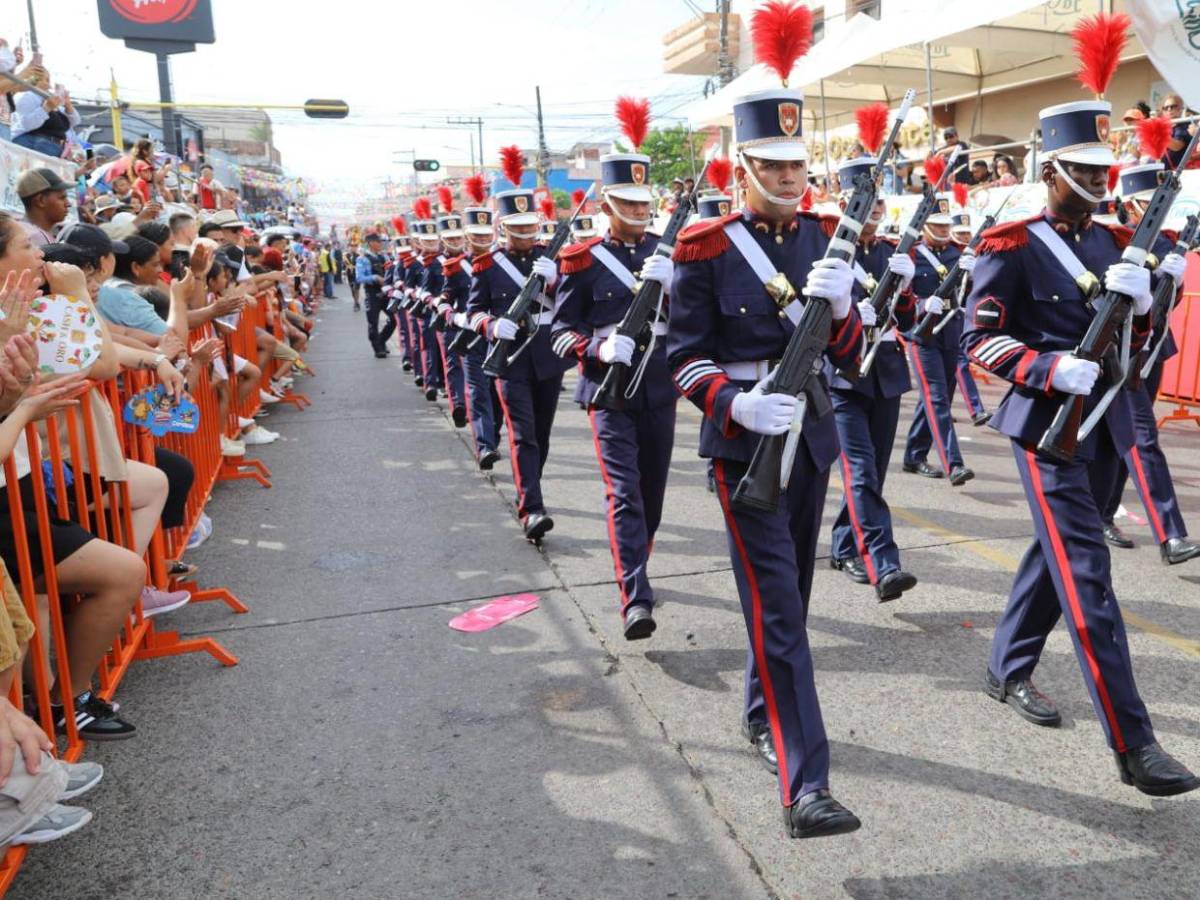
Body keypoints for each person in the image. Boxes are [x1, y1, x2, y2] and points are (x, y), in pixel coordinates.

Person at [962, 92, 1199, 796]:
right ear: (1051, 169)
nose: (1100, 182)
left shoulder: (1117, 241)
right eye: (1084, 171)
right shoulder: (1012, 243)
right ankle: (1135, 744)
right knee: (1088, 574)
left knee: (1055, 553)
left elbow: (1142, 350)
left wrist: (1158, 297)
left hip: (1107, 426)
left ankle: (1007, 667)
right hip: (1048, 430)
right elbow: (980, 339)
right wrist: (1046, 366)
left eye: (1105, 170)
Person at [667, 75, 864, 836]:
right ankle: (804, 783)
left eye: (796, 163)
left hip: (809, 437)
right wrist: (735, 402)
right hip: (743, 446)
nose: (789, 177)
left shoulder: (826, 236)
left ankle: (760, 712)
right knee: (779, 610)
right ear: (742, 165)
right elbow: (683, 359)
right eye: (773, 164)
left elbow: (851, 355)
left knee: (791, 599)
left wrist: (845, 309)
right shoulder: (705, 247)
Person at [552, 126, 678, 640]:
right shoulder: (582, 261)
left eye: (644, 200)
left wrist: (675, 289)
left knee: (651, 495)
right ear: (607, 203)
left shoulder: (673, 254)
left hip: (659, 388)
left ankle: (637, 564)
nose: (640, 209)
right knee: (624, 493)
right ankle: (635, 596)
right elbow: (559, 333)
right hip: (608, 392)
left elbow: (694, 323)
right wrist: (596, 347)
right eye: (628, 200)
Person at [824, 156, 920, 601]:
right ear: (846, 201)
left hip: (884, 374)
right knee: (860, 473)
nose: (875, 207)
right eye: (867, 199)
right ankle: (884, 562)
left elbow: (909, 319)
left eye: (880, 199)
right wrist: (845, 319)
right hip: (844, 379)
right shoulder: (827, 250)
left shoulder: (888, 252)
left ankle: (844, 546)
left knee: (873, 476)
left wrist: (905, 289)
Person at [1097, 162, 1199, 564]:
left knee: (1119, 438)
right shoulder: (1115, 239)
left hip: (1153, 350)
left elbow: (1165, 305)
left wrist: (1175, 281)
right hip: (1122, 351)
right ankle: (1170, 534)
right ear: (1131, 204)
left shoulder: (1165, 242)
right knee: (1142, 439)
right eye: (1150, 201)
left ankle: (1102, 514)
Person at [466, 184, 573, 543]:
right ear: (504, 228)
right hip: (510, 359)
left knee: (540, 435)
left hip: (547, 357)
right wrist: (493, 325)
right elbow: (474, 313)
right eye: (519, 228)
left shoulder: (553, 258)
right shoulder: (486, 265)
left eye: (531, 227)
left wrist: (557, 280)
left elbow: (573, 306)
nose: (528, 234)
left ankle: (527, 491)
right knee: (523, 435)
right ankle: (533, 509)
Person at [901, 193, 975, 484]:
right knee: (936, 398)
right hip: (923, 334)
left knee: (938, 395)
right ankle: (953, 462)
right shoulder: (912, 255)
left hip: (951, 331)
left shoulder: (958, 254)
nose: (944, 231)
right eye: (938, 226)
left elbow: (968, 297)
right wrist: (920, 305)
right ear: (925, 226)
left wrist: (972, 273)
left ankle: (914, 455)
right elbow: (900, 298)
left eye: (946, 226)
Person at [453, 205, 502, 469]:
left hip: (500, 337)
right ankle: (485, 446)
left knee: (499, 396)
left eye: (486, 235)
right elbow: (445, 299)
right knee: (478, 391)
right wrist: (456, 316)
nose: (483, 240)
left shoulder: (503, 262)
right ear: (467, 235)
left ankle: (492, 436)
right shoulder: (454, 266)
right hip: (471, 337)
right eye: (478, 235)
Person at [424, 203, 468, 424]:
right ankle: (458, 403)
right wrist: (436, 301)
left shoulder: (474, 261)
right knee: (452, 363)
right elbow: (428, 289)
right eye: (450, 240)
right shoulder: (434, 264)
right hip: (449, 318)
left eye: (458, 238)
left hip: (474, 321)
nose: (455, 243)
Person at [948, 213, 990, 426]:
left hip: (966, 315)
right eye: (961, 233)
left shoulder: (976, 254)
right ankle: (976, 409)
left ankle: (943, 409)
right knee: (958, 363)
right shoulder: (947, 254)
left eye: (967, 232)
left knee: (955, 365)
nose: (965, 236)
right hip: (945, 318)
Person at [10, 71, 79, 158]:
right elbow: (27, 124)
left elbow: (74, 122)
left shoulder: (47, 98)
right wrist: (46, 108)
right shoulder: (27, 96)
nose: (49, 85)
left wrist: (68, 105)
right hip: (38, 143)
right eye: (46, 80)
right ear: (34, 80)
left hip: (53, 146)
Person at [356, 232, 391, 358]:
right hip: (372, 293)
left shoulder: (385, 257)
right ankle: (377, 349)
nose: (381, 244)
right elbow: (359, 278)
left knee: (394, 319)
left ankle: (381, 340)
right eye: (379, 241)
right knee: (373, 323)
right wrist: (375, 277)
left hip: (386, 293)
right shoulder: (362, 259)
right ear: (371, 243)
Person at [16, 168, 70, 247]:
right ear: (41, 200)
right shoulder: (33, 238)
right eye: (62, 198)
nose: (68, 204)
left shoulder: (19, 232)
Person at [1158, 94, 1198, 169]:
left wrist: (1159, 135)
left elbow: (1177, 146)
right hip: (1166, 171)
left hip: (1181, 172)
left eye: (1172, 106)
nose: (1169, 109)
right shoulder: (1165, 127)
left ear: (1180, 109)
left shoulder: (1184, 124)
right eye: (1165, 108)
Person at [346, 242, 361, 311]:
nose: (353, 248)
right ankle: (356, 301)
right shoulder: (346, 256)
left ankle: (356, 303)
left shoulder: (359, 256)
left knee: (356, 288)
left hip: (357, 274)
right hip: (349, 274)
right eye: (352, 246)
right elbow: (344, 265)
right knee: (352, 290)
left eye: (355, 246)